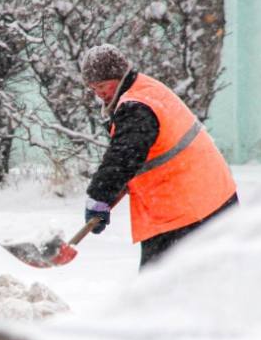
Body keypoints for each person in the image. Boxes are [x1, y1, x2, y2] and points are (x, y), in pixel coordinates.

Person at [80, 44, 238, 269]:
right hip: (210, 200)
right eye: (94, 89)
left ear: (119, 75)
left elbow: (123, 156)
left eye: (103, 86)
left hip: (186, 211)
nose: (100, 94)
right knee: (203, 285)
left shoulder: (136, 107)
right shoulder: (144, 89)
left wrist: (99, 196)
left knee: (160, 292)